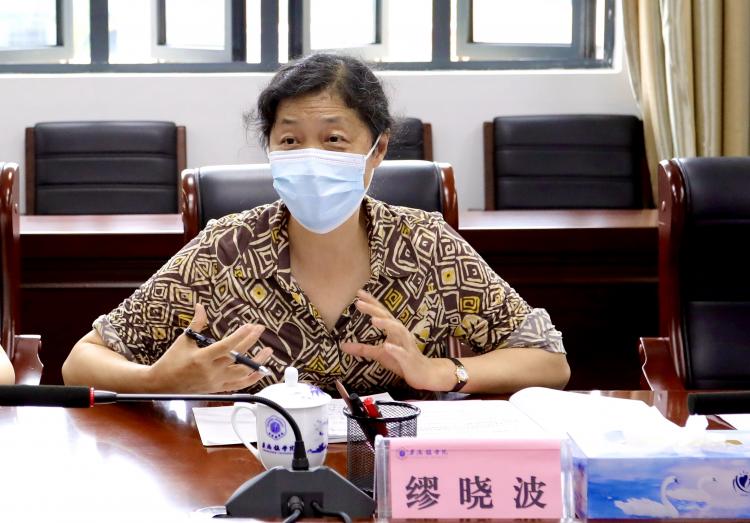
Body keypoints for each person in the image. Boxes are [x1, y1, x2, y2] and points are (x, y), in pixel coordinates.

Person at [62, 53, 569, 395]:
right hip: (244, 479)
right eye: (289, 140)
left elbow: (548, 359)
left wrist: (440, 371)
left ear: (377, 150)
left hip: (385, 482)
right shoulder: (226, 249)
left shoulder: (426, 245)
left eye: (333, 140)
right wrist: (158, 380)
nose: (310, 156)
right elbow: (82, 360)